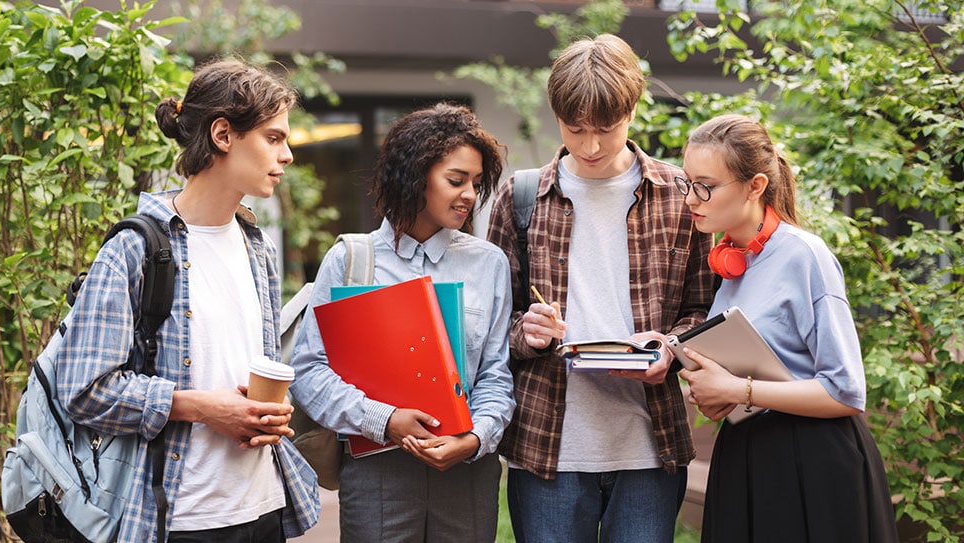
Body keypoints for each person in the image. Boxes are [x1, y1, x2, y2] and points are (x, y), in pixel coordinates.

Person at [57, 58, 319, 542]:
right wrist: (200, 407)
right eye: (274, 138)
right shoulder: (135, 248)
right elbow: (81, 389)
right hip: (180, 518)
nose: (287, 155)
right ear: (223, 135)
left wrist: (260, 415)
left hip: (264, 508)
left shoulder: (255, 244)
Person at [485, 34, 715, 542]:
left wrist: (670, 348)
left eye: (605, 130)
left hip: (650, 449)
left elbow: (706, 307)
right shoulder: (522, 197)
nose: (589, 146)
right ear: (557, 115)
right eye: (575, 129)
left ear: (632, 109)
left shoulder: (681, 196)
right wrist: (528, 331)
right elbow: (489, 327)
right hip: (547, 448)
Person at [289, 102, 515, 542]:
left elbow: (496, 374)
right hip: (377, 474)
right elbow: (309, 371)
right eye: (456, 180)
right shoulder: (352, 261)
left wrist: (475, 438)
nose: (470, 194)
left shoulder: (489, 264)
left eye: (476, 182)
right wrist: (384, 418)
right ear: (415, 177)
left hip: (466, 474)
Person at [676, 114, 898, 542]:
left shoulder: (804, 256)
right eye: (687, 182)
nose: (691, 198)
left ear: (755, 186)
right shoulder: (729, 260)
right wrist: (715, 394)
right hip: (746, 454)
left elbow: (846, 390)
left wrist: (738, 391)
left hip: (813, 461)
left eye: (706, 185)